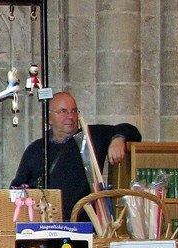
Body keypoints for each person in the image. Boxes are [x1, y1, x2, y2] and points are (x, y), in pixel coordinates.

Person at [11, 91, 141, 219]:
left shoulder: (90, 137)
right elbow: (17, 189)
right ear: (48, 118)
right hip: (45, 224)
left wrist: (118, 139)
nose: (70, 116)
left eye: (74, 111)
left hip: (84, 228)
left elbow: (132, 131)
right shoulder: (35, 149)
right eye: (63, 111)